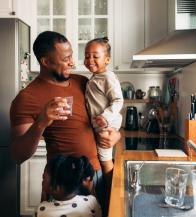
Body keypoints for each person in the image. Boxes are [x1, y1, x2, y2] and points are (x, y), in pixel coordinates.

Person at [10, 31, 121, 213]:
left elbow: (108, 116)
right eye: (66, 58)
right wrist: (42, 122)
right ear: (45, 62)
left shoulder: (84, 82)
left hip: (96, 175)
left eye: (72, 57)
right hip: (63, 185)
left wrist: (116, 135)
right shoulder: (27, 98)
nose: (73, 63)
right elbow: (17, 155)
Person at [84, 37, 123, 185]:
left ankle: (110, 192)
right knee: (102, 160)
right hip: (101, 125)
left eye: (95, 56)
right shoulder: (95, 78)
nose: (90, 60)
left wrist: (105, 117)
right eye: (87, 56)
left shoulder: (108, 77)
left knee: (105, 160)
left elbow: (118, 100)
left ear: (107, 60)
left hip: (106, 126)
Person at [36, 155, 102, 217]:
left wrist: (44, 197)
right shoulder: (91, 202)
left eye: (44, 178)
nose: (42, 181)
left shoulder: (42, 210)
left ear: (57, 188)